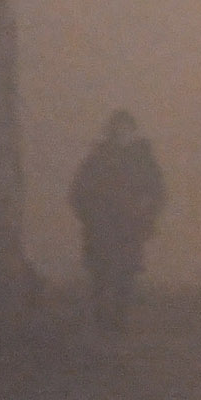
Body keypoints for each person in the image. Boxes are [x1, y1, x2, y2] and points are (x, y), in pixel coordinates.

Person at [69, 110, 164, 334]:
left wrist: (145, 213)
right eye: (117, 128)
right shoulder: (97, 158)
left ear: (132, 130)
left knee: (125, 275)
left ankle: (118, 323)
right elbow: (78, 193)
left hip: (129, 229)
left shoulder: (143, 160)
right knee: (101, 275)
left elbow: (158, 192)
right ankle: (102, 322)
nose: (121, 133)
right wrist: (92, 215)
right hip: (101, 228)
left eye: (125, 128)